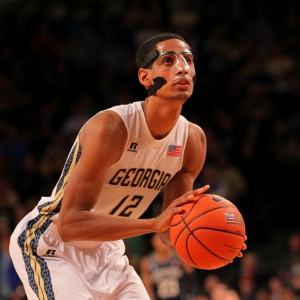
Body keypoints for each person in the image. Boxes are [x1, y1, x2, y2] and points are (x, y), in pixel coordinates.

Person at [9, 32, 246, 300]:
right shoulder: (111, 128)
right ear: (145, 77)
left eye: (188, 60)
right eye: (168, 61)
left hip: (107, 249)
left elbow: (171, 231)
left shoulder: (193, 141)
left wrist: (222, 241)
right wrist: (153, 223)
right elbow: (70, 224)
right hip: (50, 244)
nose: (182, 67)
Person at [139, 233, 201, 300]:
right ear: (153, 242)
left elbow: (190, 271)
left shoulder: (178, 256)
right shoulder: (147, 262)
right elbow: (148, 289)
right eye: (160, 240)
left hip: (181, 297)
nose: (163, 243)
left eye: (164, 240)